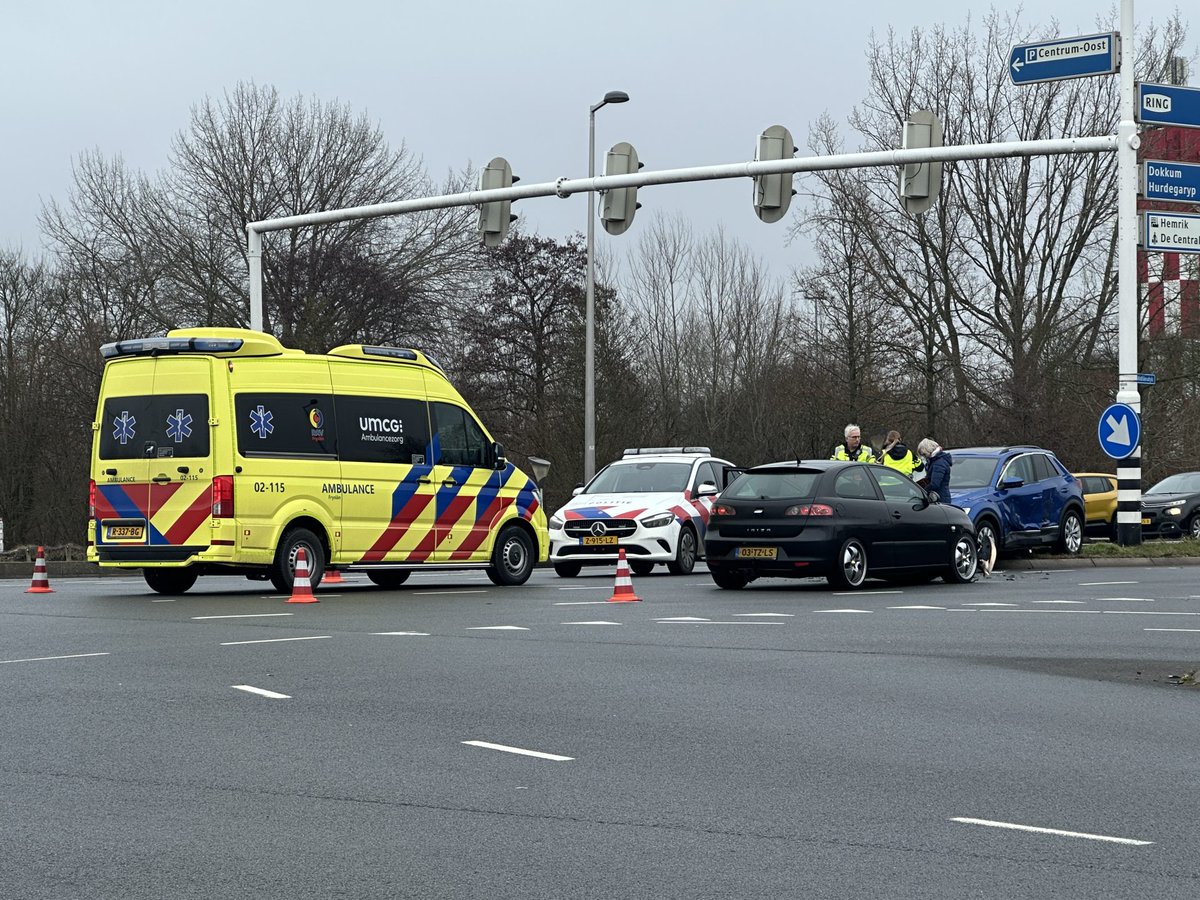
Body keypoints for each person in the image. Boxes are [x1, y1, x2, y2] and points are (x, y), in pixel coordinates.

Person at [917, 438, 952, 502]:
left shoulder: (938, 463)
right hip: (939, 496)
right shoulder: (936, 462)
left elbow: (935, 484)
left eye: (924, 454)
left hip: (940, 498)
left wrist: (922, 491)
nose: (924, 457)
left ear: (928, 451)